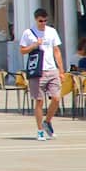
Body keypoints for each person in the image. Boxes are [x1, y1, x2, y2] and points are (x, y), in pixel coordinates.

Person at [19, 8, 64, 141]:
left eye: (45, 21)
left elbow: (56, 51)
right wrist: (34, 45)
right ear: (36, 20)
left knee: (56, 98)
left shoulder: (52, 31)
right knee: (39, 101)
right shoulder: (28, 33)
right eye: (40, 21)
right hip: (37, 70)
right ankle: (40, 131)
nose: (43, 23)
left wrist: (61, 70)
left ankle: (47, 121)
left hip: (52, 69)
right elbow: (22, 50)